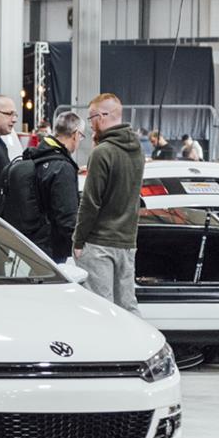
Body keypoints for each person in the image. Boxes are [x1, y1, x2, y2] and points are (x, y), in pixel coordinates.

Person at [75, 93, 145, 312]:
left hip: (99, 243)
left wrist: (78, 240)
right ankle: (142, 346)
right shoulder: (137, 150)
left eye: (91, 118)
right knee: (127, 306)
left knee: (101, 308)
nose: (90, 125)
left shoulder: (102, 152)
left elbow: (90, 202)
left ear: (102, 116)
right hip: (127, 241)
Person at [4, 109, 81, 263]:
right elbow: (66, 214)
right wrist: (76, 244)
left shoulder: (36, 157)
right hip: (51, 247)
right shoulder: (62, 167)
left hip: (28, 242)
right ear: (75, 134)